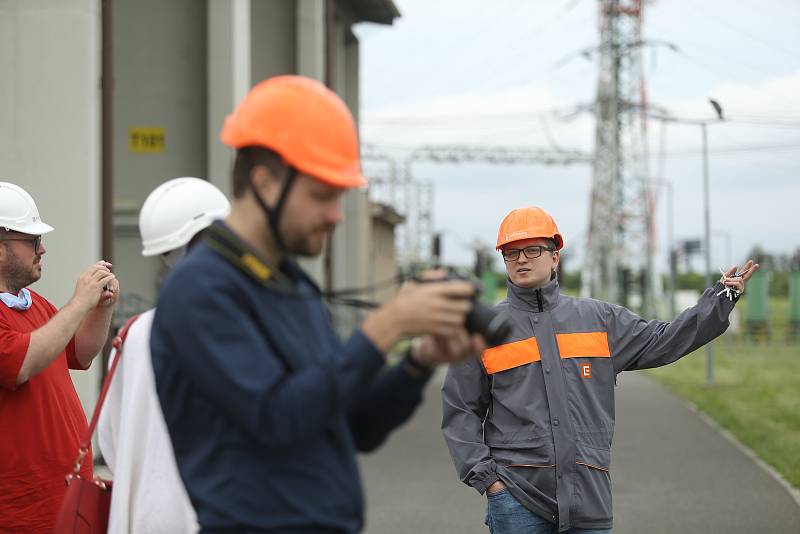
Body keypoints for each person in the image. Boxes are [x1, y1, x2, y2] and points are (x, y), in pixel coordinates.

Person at [149, 75, 485, 533]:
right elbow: (277, 417)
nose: (335, 215)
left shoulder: (290, 284)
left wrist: (418, 362)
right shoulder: (201, 289)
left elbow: (356, 424)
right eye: (322, 195)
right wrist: (384, 328)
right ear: (265, 183)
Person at [441, 206, 759, 534]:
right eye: (511, 252)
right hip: (517, 499)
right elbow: (459, 410)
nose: (521, 259)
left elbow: (665, 340)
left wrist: (721, 299)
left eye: (532, 249)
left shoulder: (600, 320)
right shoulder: (482, 333)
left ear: (555, 256)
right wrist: (489, 482)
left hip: (588, 498)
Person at [97, 177, 231, 534]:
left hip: (143, 515)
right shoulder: (239, 326)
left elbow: (110, 441)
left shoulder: (133, 333)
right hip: (210, 512)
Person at [0, 182, 119, 534]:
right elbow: (19, 365)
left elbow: (79, 353)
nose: (43, 249)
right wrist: (80, 301)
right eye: (33, 241)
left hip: (62, 502)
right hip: (20, 514)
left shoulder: (34, 305)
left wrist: (101, 308)